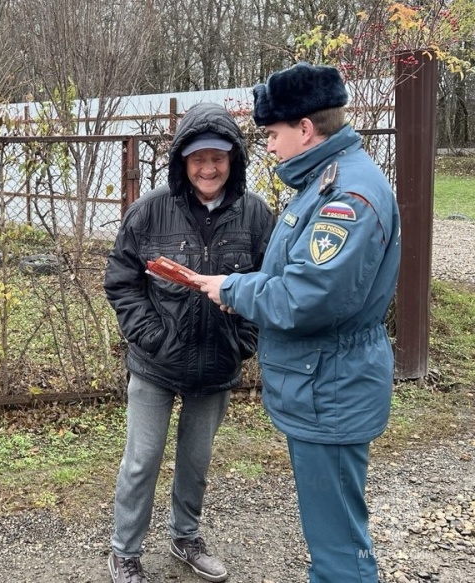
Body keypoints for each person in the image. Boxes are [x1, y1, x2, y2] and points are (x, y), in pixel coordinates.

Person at [188, 62, 401, 583]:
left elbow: (308, 294)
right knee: (332, 531)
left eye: (273, 134)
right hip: (322, 383)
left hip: (331, 387)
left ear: (305, 128)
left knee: (338, 546)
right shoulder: (324, 182)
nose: (270, 146)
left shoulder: (347, 197)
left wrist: (232, 288)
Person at [103, 102, 275, 583]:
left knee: (195, 463)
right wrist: (151, 336)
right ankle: (125, 551)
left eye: (219, 157)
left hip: (217, 365)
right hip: (155, 364)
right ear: (182, 161)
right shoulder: (149, 212)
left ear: (234, 161)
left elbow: (272, 285)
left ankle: (185, 538)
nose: (208, 168)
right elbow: (121, 282)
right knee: (142, 460)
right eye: (198, 158)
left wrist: (244, 339)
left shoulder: (256, 215)